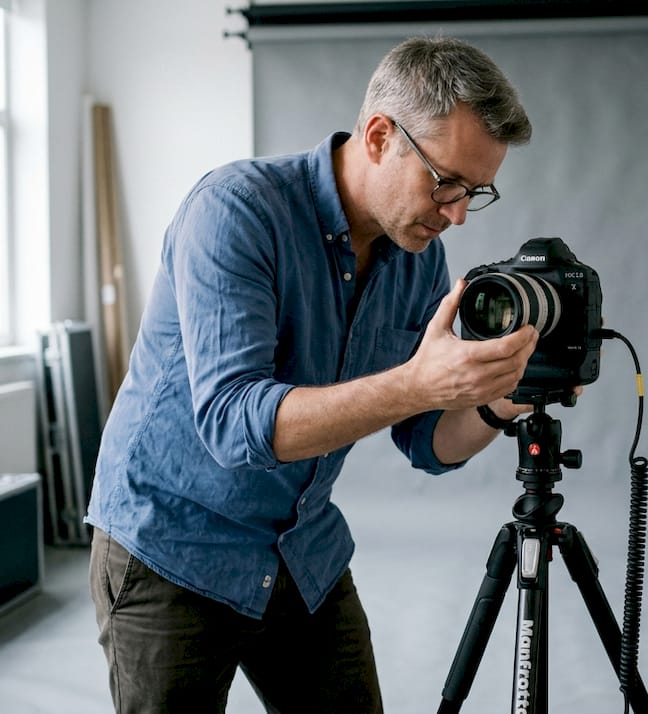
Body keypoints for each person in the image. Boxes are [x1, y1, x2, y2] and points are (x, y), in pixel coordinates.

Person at [84, 37, 535, 712]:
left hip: (299, 546)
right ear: (380, 135)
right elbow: (236, 425)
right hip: (171, 543)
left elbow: (426, 441)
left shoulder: (417, 259)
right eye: (446, 182)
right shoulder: (235, 211)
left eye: (476, 192)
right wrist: (418, 382)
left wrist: (502, 400)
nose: (458, 213)